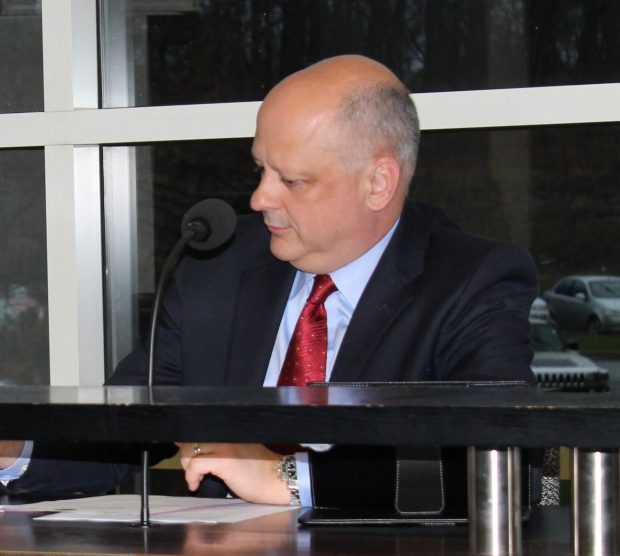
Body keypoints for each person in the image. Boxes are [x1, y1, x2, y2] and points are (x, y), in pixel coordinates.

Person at [0, 55, 537, 507]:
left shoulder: (471, 282)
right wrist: (12, 447)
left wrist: (290, 478)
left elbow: (519, 477)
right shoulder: (218, 267)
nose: (259, 199)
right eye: (260, 170)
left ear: (378, 183)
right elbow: (117, 437)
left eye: (292, 180)